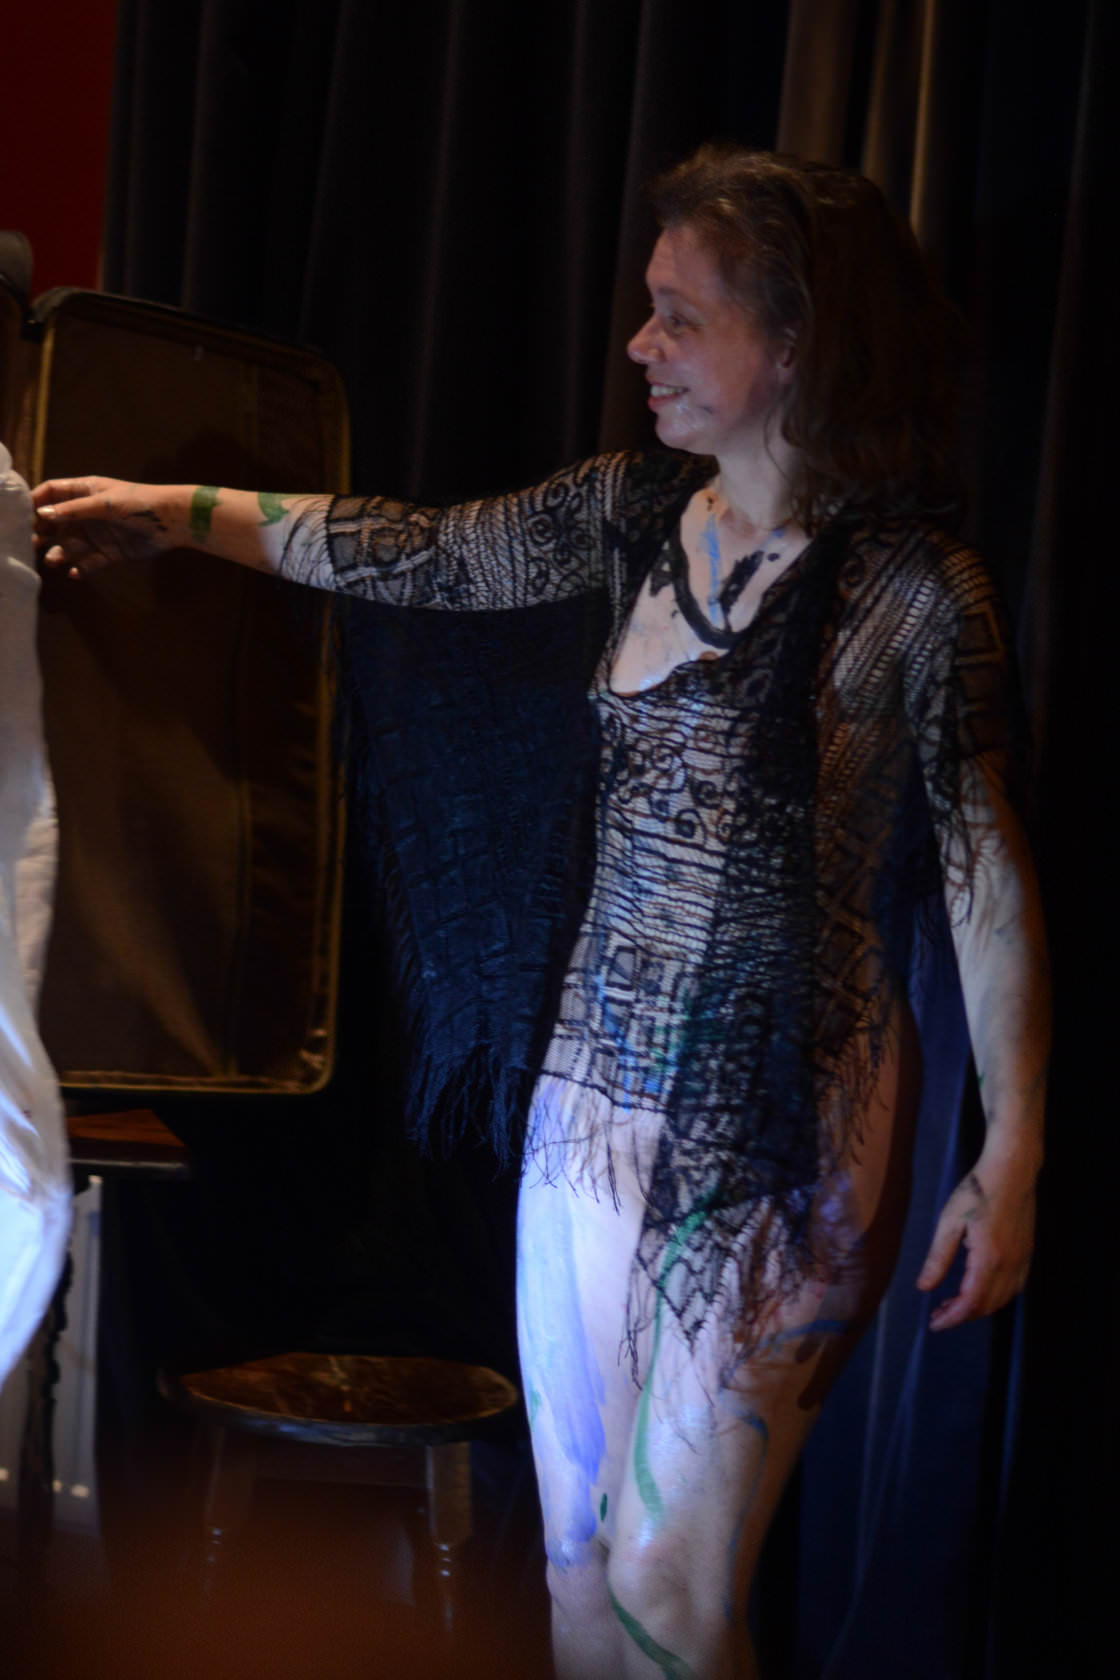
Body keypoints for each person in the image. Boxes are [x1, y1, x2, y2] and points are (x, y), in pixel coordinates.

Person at [31, 146, 1047, 1679]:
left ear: (796, 342)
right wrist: (176, 511)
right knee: (577, 1583)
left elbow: (983, 873)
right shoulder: (630, 517)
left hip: (781, 1127)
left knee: (670, 1593)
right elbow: (412, 551)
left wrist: (1012, 1148)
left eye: (681, 317)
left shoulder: (914, 596)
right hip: (589, 1113)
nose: (641, 345)